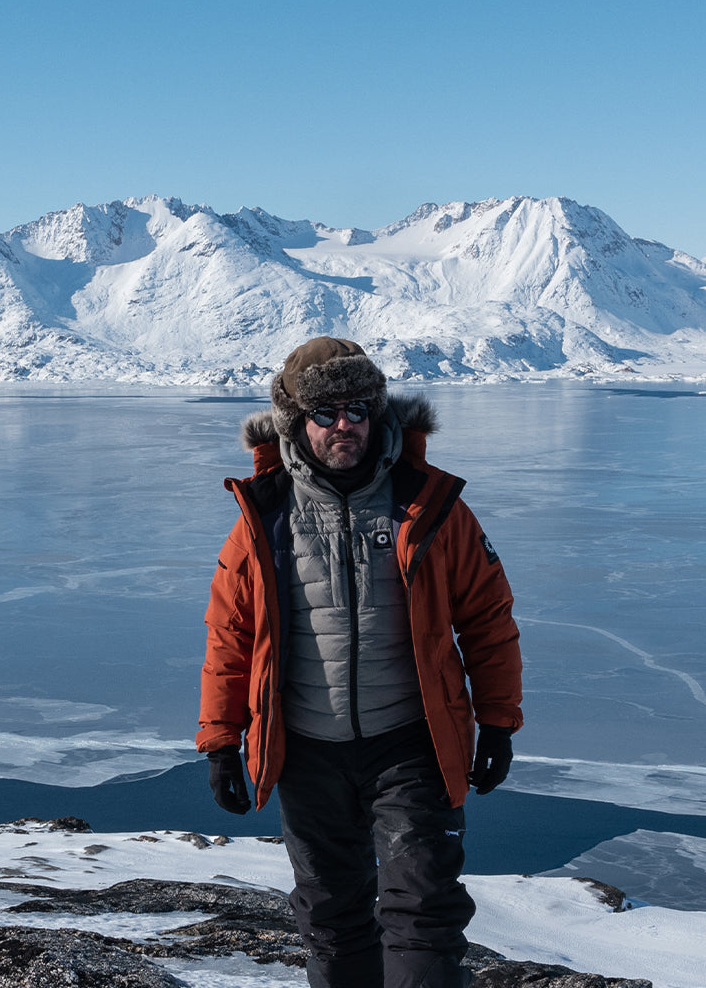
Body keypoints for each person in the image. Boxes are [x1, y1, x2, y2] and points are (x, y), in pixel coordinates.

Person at [197, 337, 523, 988]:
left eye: (357, 408)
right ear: (297, 422)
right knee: (332, 918)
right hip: (308, 754)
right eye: (325, 412)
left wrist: (497, 723)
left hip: (411, 747)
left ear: (377, 413)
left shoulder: (430, 507)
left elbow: (487, 618)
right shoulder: (264, 518)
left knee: (424, 912)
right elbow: (230, 634)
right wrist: (221, 743)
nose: (344, 424)